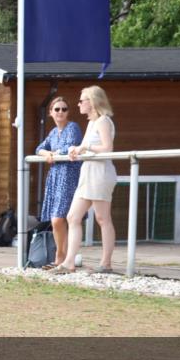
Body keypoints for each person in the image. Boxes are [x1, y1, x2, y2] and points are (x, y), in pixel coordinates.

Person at [54, 86, 117, 274]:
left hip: (100, 173)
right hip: (87, 172)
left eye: (82, 100)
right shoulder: (91, 123)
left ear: (92, 101)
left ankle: (106, 263)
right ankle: (69, 262)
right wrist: (75, 150)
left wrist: (85, 147)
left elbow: (107, 148)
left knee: (102, 218)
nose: (79, 104)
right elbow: (85, 147)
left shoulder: (103, 121)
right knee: (73, 216)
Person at [35, 96, 84, 268]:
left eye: (64, 109)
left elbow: (69, 148)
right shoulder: (53, 133)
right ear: (50, 113)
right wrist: (47, 154)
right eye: (57, 109)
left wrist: (53, 154)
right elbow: (39, 148)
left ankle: (61, 255)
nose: (60, 112)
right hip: (55, 176)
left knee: (60, 218)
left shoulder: (73, 127)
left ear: (68, 112)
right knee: (57, 219)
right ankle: (62, 256)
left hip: (69, 176)